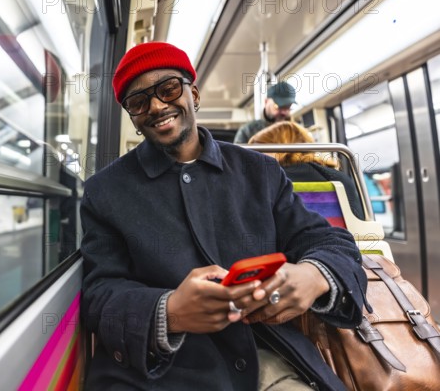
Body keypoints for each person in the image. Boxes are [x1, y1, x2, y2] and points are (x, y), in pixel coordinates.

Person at [81, 42, 367, 390]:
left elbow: (327, 240)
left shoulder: (259, 171)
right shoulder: (106, 191)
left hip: (265, 353)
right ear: (133, 118)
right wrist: (168, 311)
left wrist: (313, 275)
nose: (156, 106)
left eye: (169, 88)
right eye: (139, 102)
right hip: (163, 371)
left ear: (194, 94)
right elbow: (100, 292)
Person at [248, 121, 365, 220]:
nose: (254, 157)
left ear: (278, 148)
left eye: (260, 149)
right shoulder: (340, 179)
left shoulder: (267, 181)